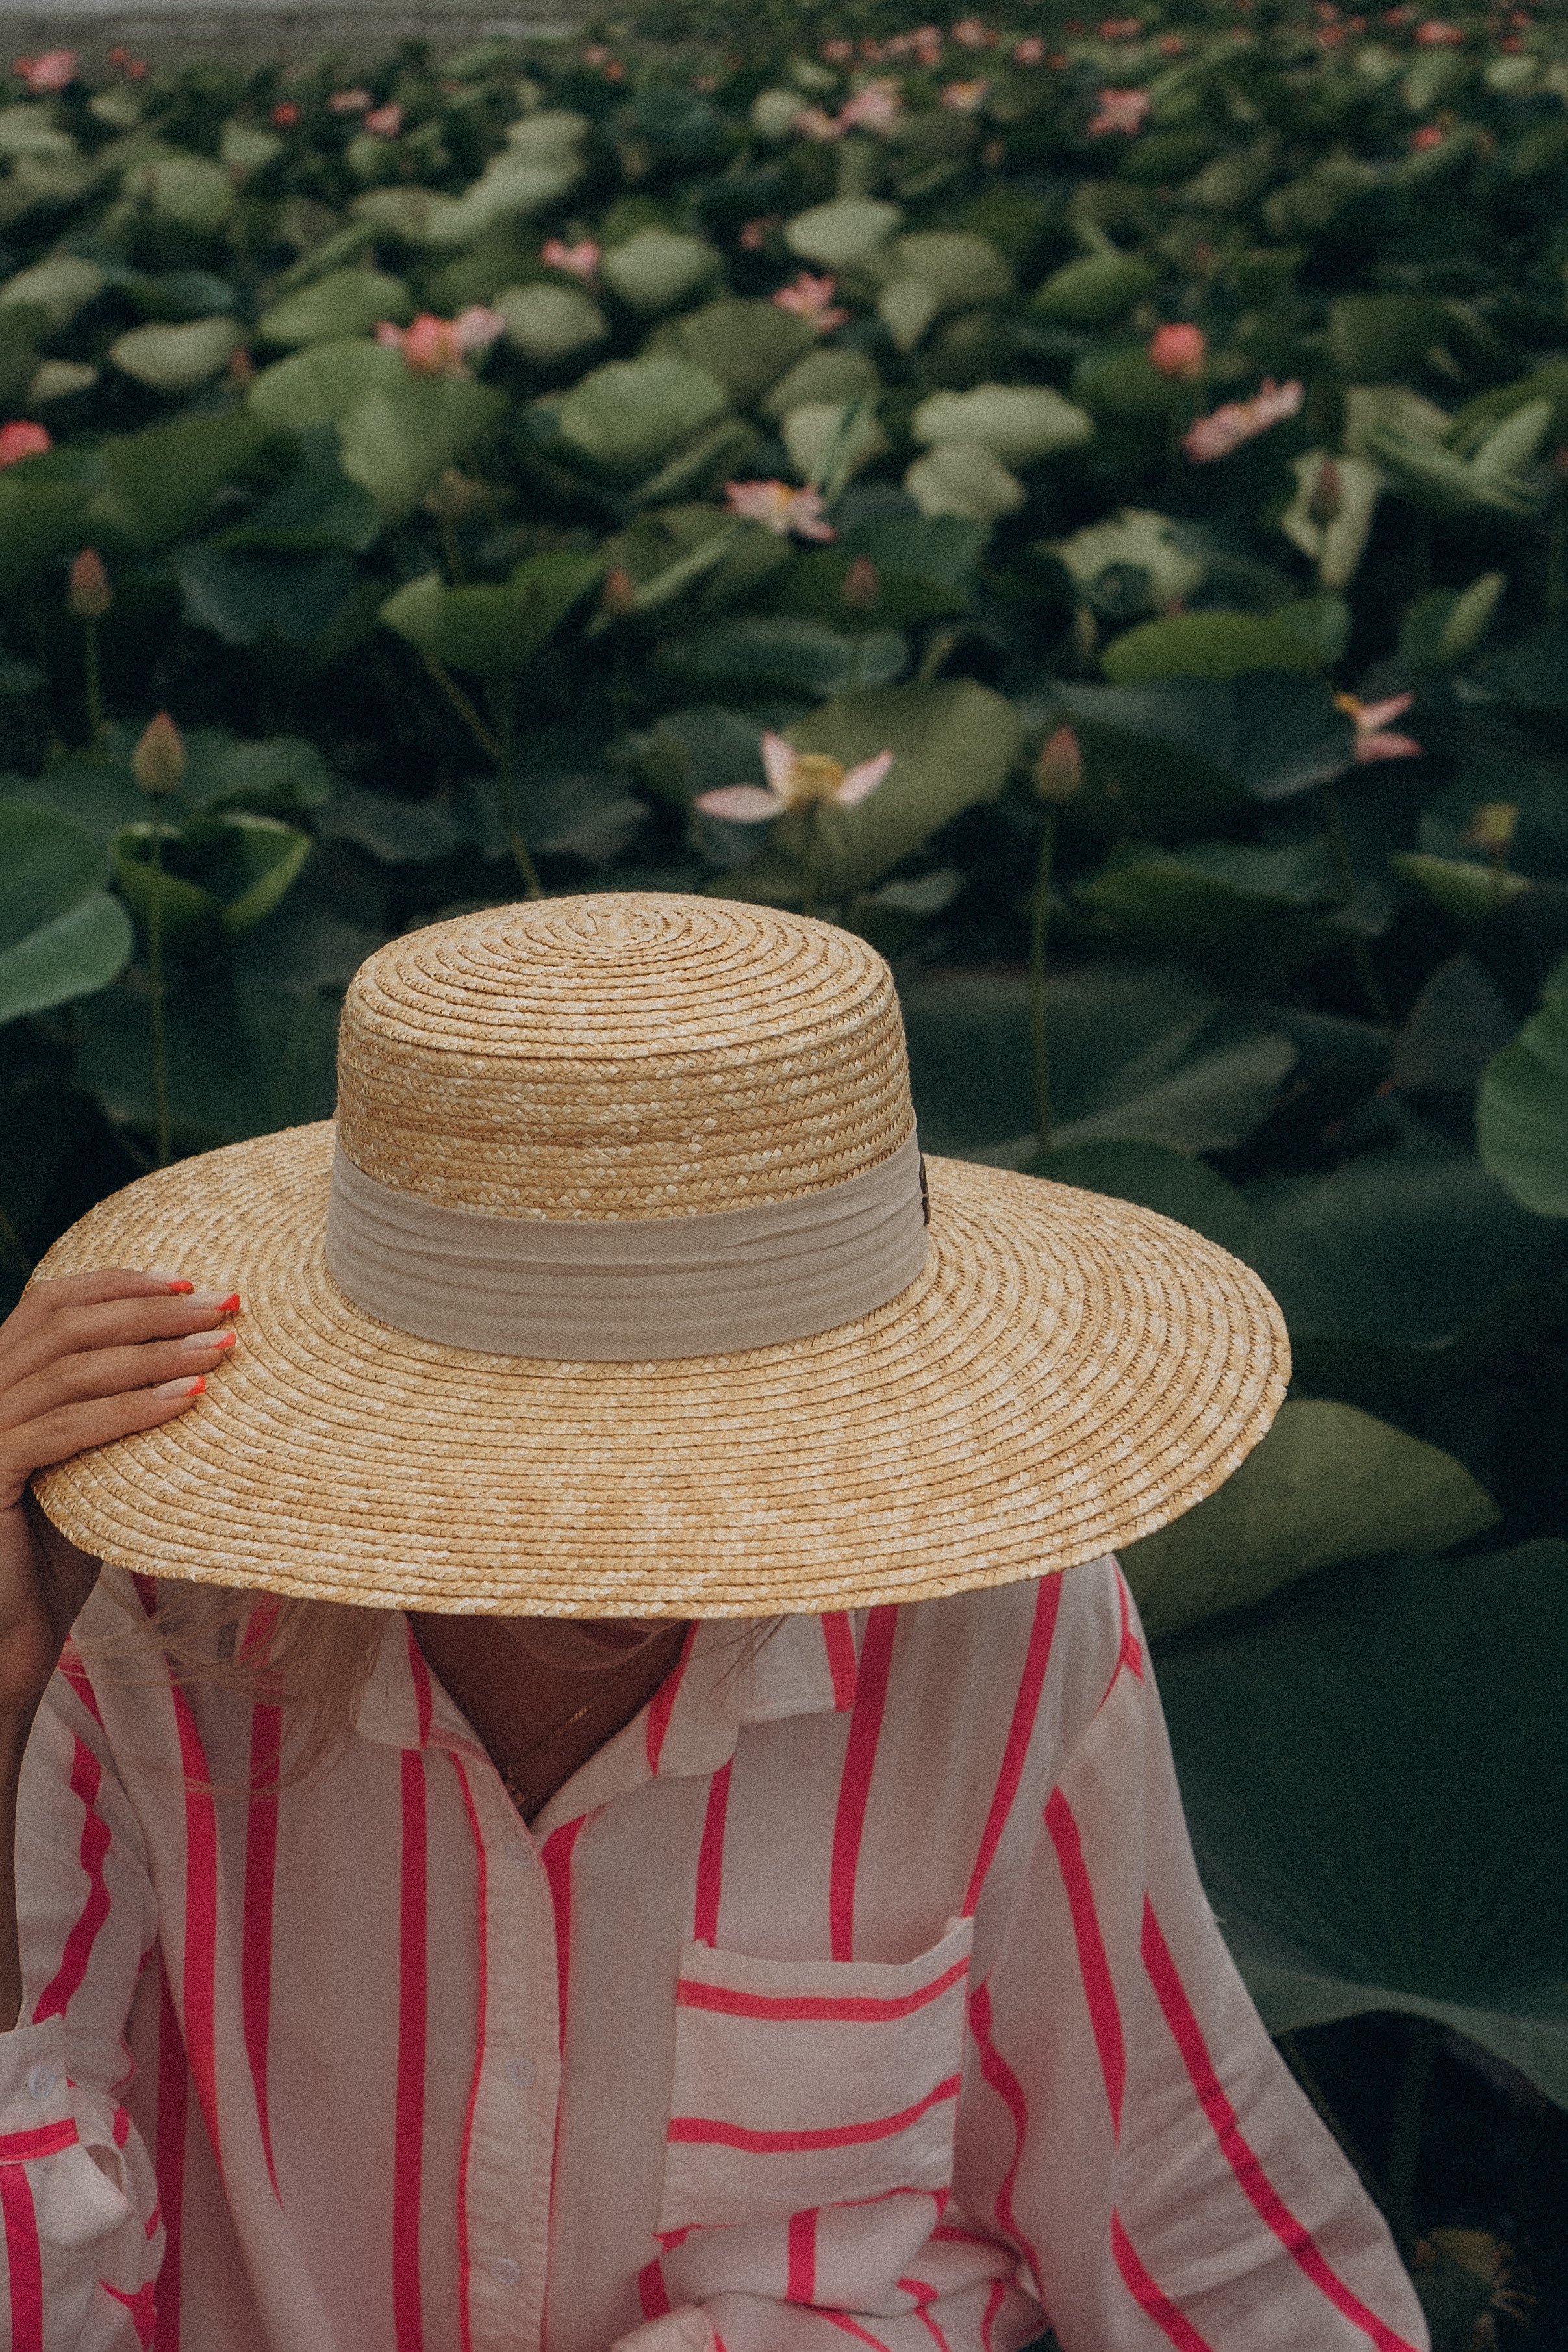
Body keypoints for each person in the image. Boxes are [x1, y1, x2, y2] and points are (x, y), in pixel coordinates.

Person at [0, 895, 1425, 2352]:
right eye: (535, 1439)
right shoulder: (133, 1607)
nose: (629, 1548)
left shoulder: (995, 1618)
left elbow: (1183, 2206)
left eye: (714, 1436)